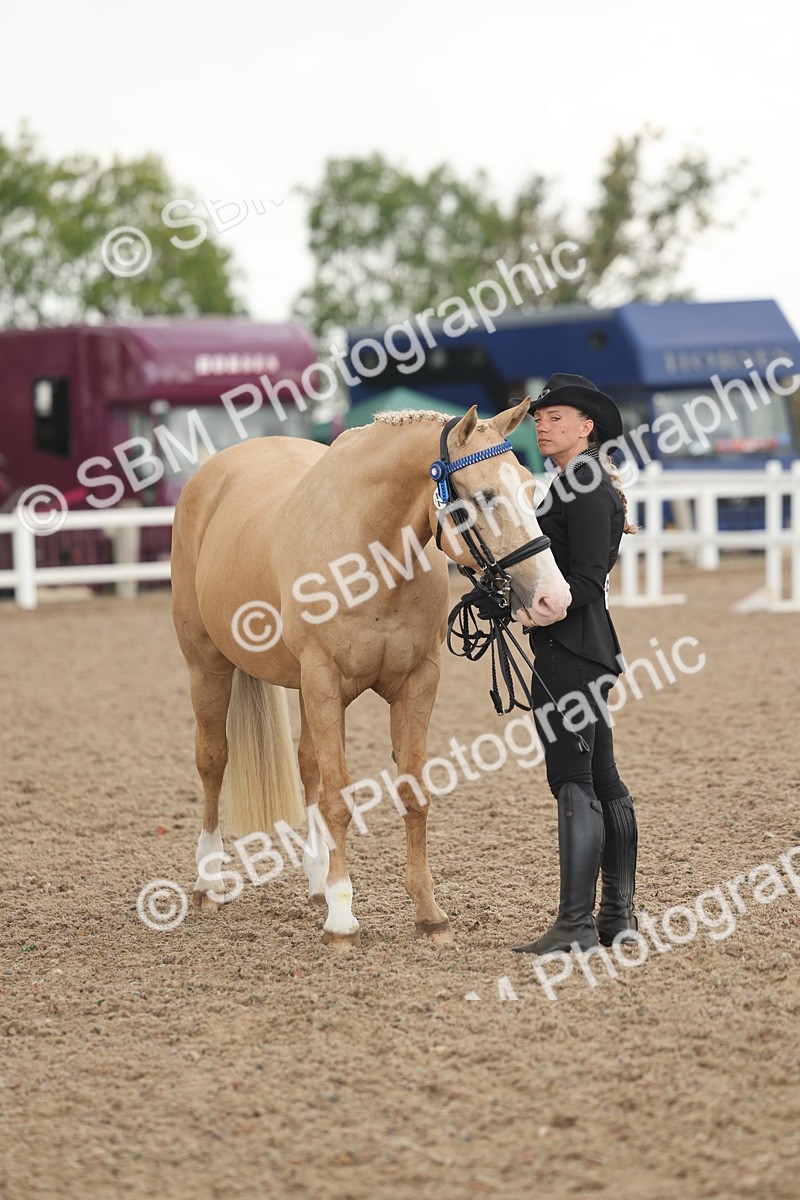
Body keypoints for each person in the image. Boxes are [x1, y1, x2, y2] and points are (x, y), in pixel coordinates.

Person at [512, 373, 639, 956]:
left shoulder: (582, 486)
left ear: (586, 428)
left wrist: (534, 611)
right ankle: (615, 916)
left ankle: (575, 924)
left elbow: (586, 578)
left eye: (556, 417)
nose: (543, 425)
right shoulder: (572, 483)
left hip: (571, 653)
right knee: (604, 781)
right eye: (539, 418)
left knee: (573, 780)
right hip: (585, 650)